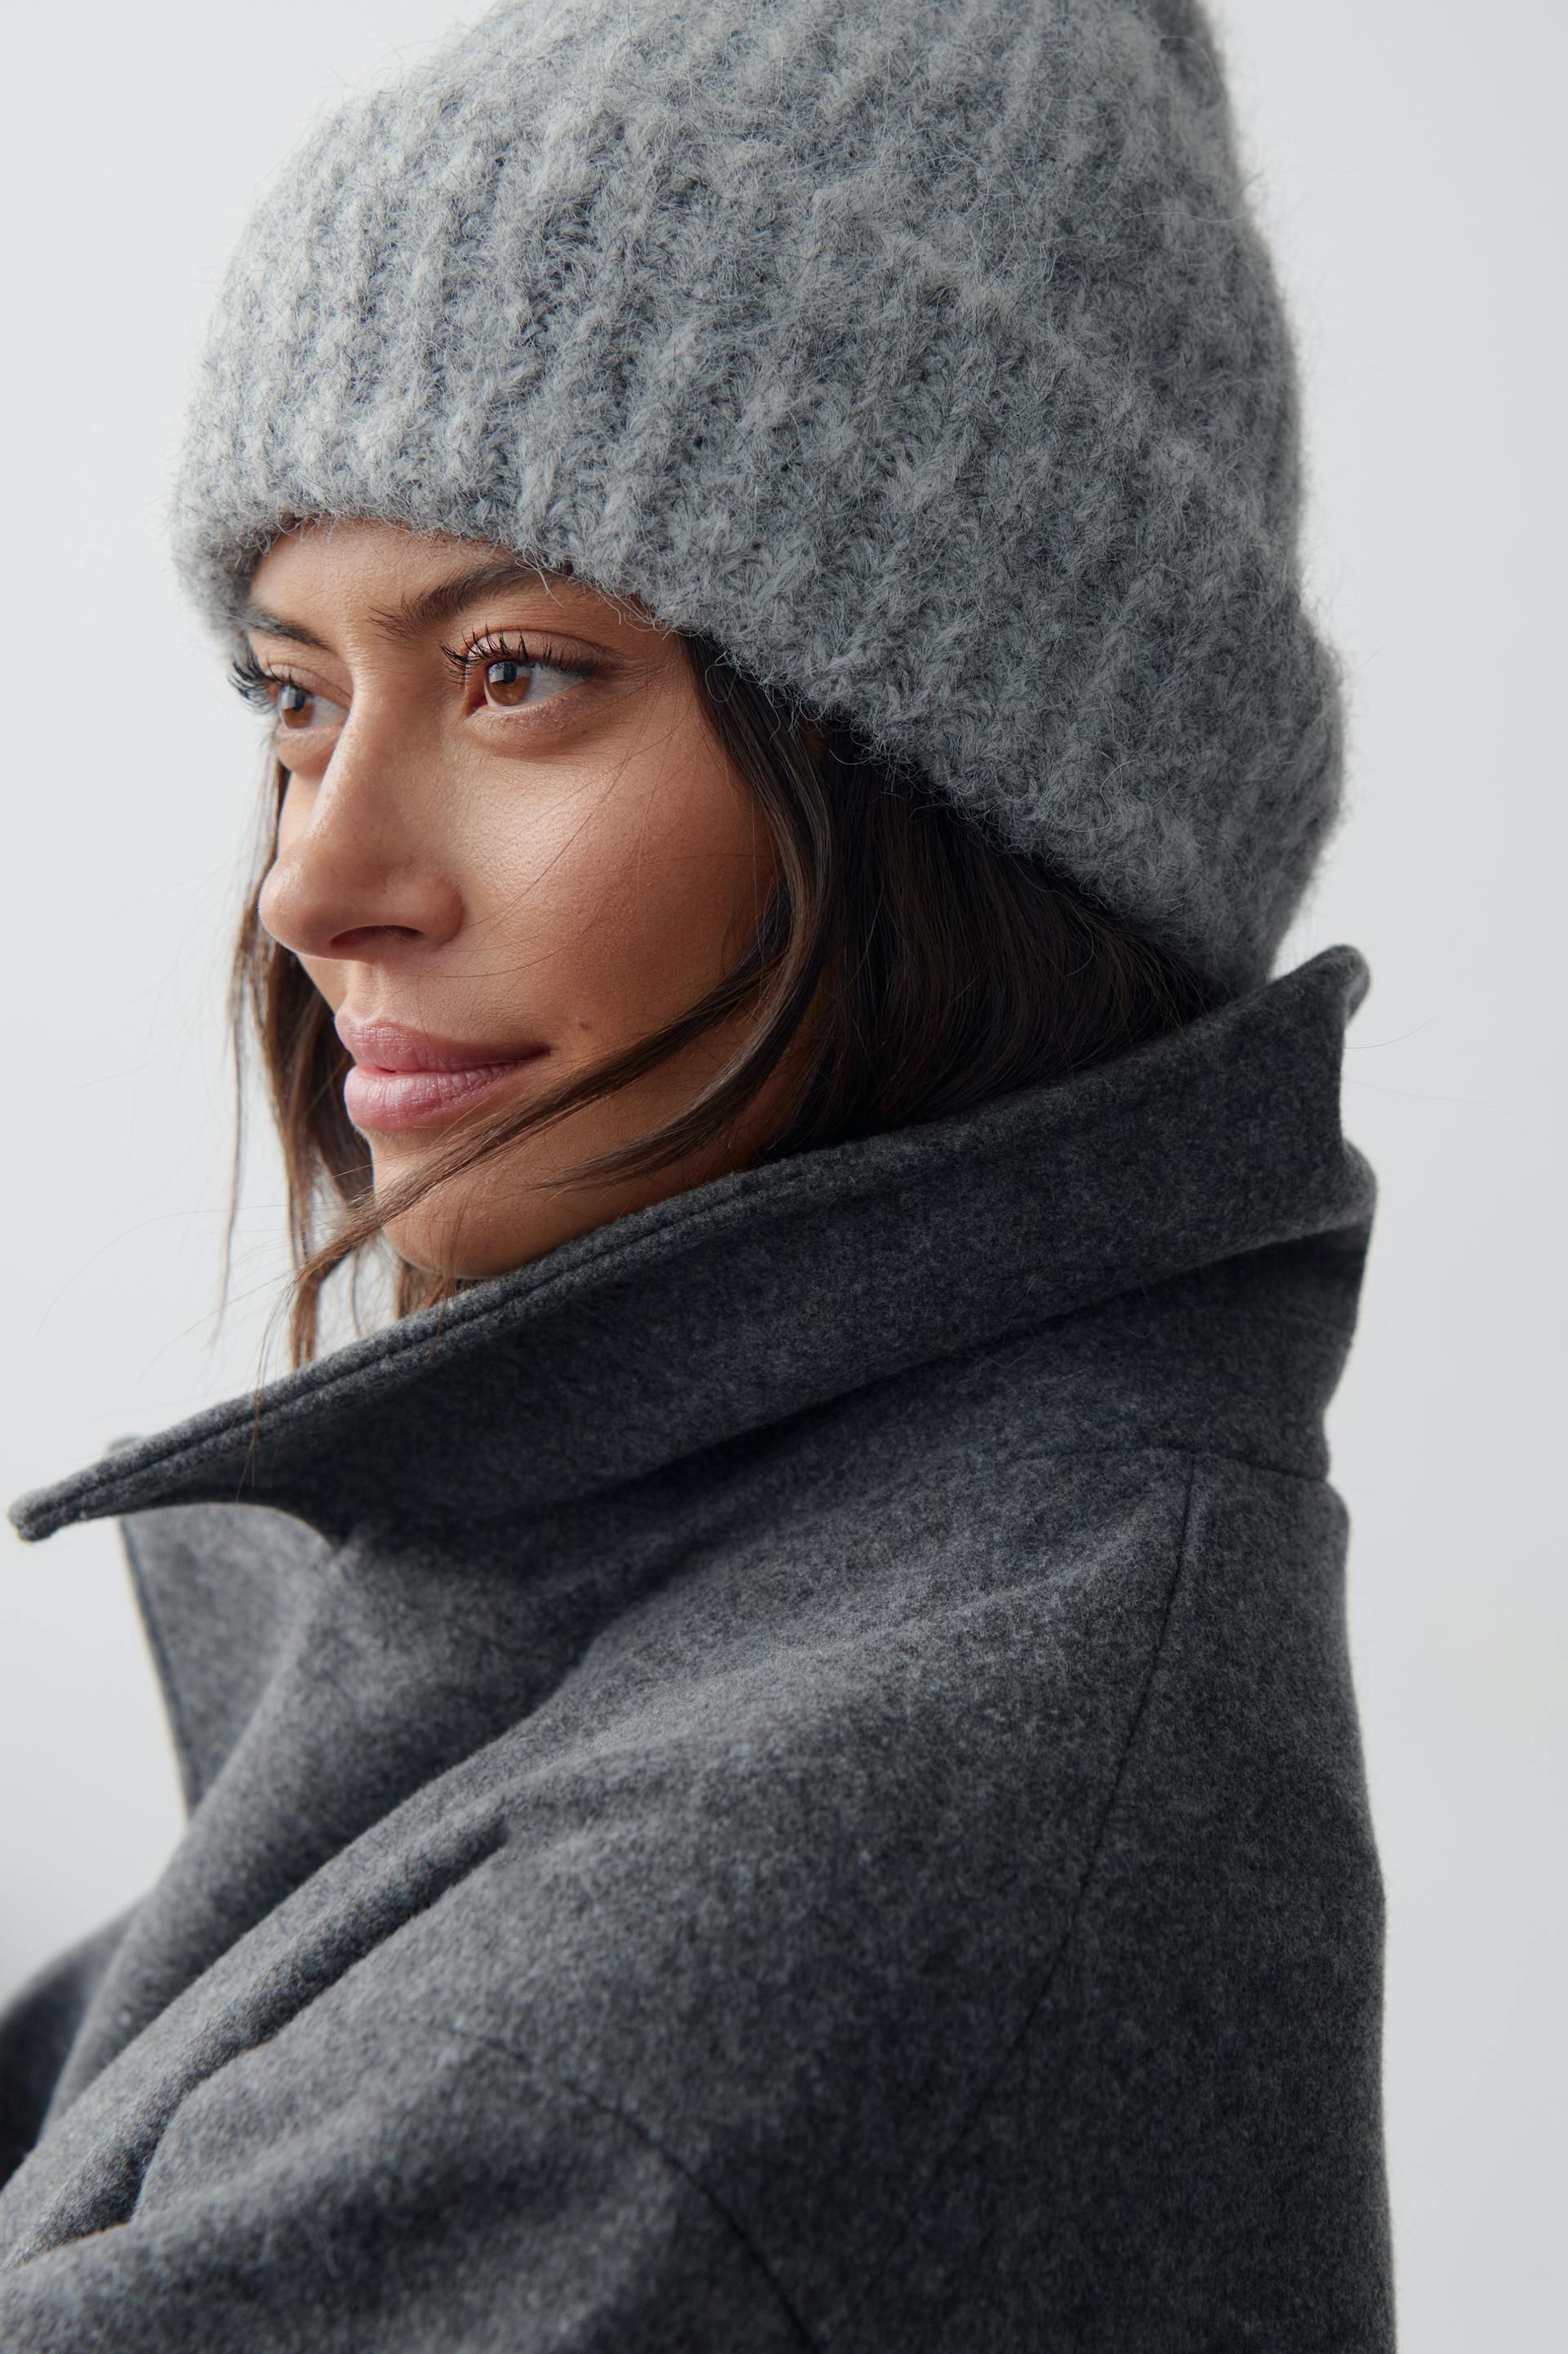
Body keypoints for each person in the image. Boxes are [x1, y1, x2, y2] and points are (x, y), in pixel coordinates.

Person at [0, 1, 1394, 2344]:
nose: (316, 883)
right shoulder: (723, 1554)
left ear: (966, 775)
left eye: (516, 671)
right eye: (295, 693)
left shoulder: (753, 1920)